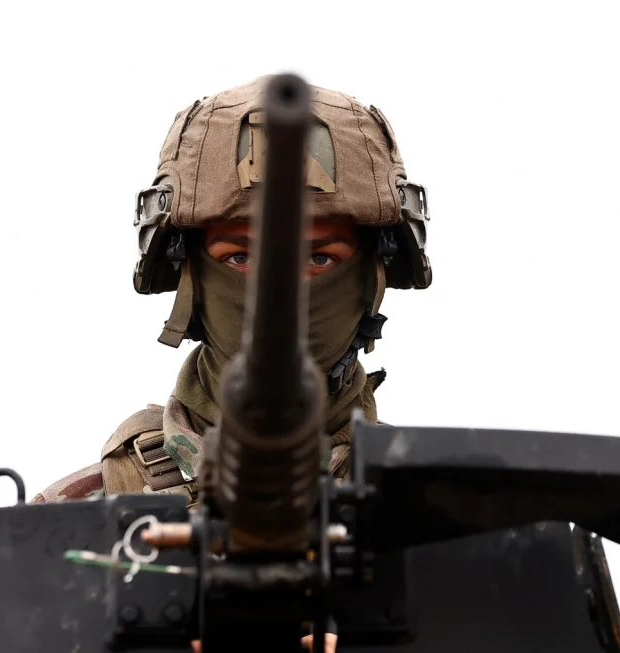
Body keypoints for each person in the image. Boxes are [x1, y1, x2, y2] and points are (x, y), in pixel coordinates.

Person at [29, 75, 432, 653]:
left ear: (375, 273)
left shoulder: (440, 524)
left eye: (321, 257)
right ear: (186, 272)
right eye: (238, 255)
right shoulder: (80, 525)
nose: (282, 289)